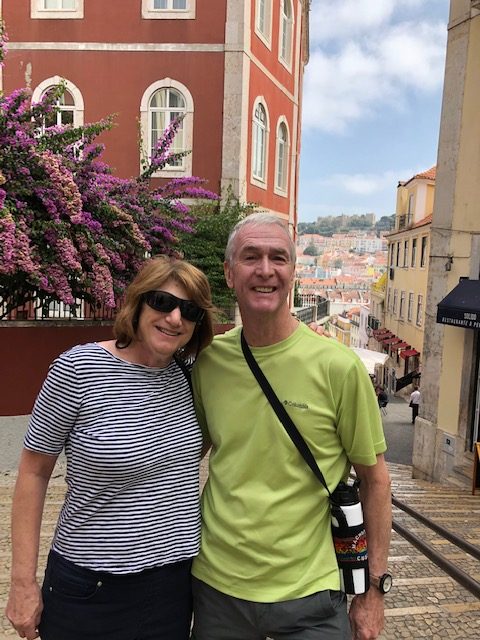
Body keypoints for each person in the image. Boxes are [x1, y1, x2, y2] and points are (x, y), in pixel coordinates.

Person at [191, 213, 392, 640]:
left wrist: (373, 590)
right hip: (218, 590)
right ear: (229, 273)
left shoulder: (338, 367)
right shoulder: (209, 362)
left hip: (312, 597)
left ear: (293, 273)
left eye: (278, 258)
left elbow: (375, 480)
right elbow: (183, 459)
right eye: (251, 257)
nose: (266, 270)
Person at [6, 257, 215, 640]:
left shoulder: (191, 376)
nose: (174, 318)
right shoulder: (78, 369)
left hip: (173, 585)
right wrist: (22, 583)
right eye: (162, 302)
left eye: (189, 310)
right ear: (137, 302)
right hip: (90, 588)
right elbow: (34, 473)